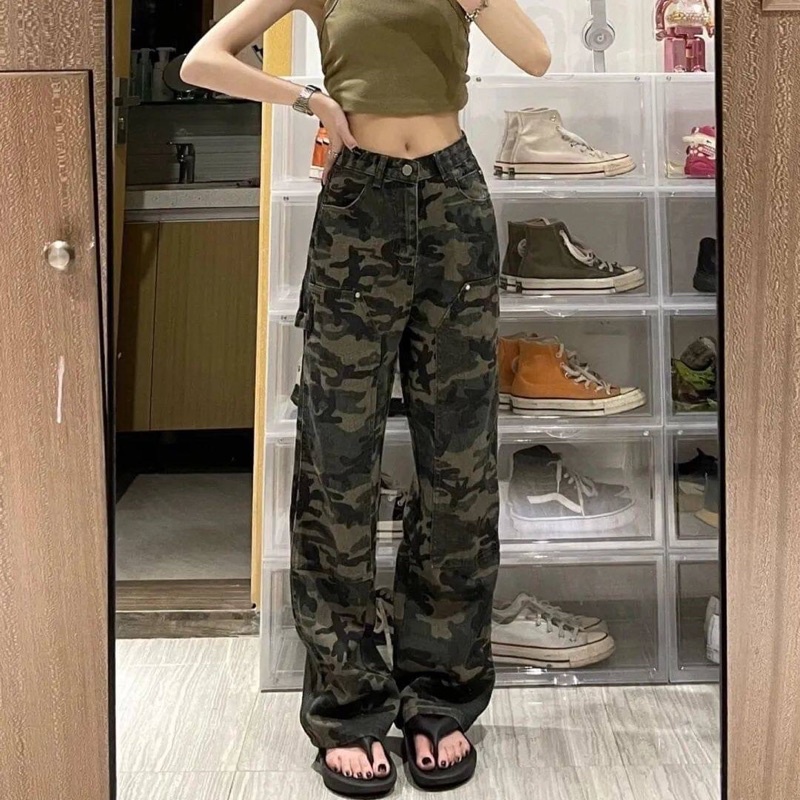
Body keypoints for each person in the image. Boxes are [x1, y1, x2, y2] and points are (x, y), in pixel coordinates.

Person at [183, 1, 550, 794]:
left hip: (454, 199)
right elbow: (202, 60)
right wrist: (306, 98)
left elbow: (536, 58)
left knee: (459, 467)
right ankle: (348, 708)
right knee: (337, 464)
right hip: (360, 205)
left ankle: (440, 695)